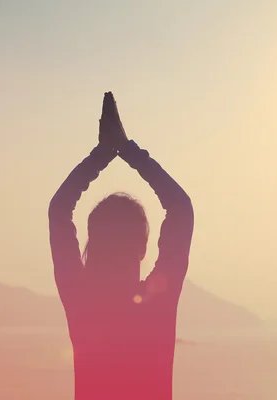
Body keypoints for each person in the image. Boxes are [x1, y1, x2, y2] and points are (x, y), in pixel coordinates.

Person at [48, 92, 194, 400]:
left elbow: (59, 210)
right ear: (142, 247)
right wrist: (129, 151)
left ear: (93, 243)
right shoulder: (157, 302)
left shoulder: (81, 301)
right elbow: (181, 209)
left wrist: (102, 154)